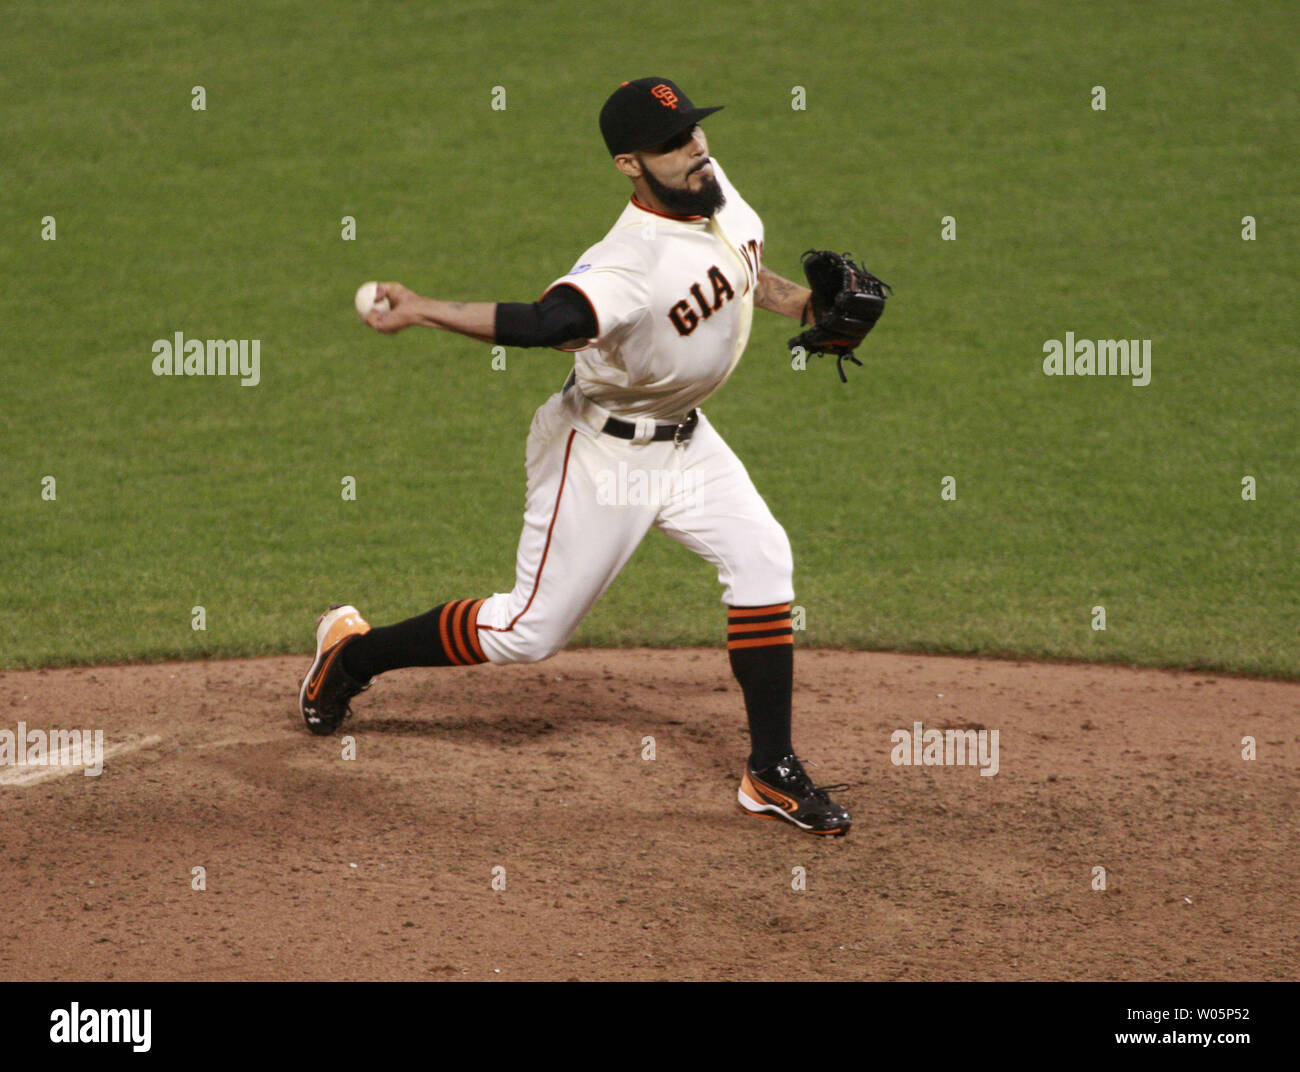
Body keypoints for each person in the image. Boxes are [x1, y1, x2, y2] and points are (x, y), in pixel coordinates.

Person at [299, 77, 851, 836]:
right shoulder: (624, 264)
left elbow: (742, 275)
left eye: (694, 131)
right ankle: (352, 656)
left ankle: (770, 770)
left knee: (763, 560)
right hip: (601, 452)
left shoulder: (717, 194)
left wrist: (809, 309)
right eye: (671, 145)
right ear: (630, 164)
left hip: (687, 439)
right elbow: (542, 321)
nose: (695, 150)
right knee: (529, 631)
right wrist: (426, 309)